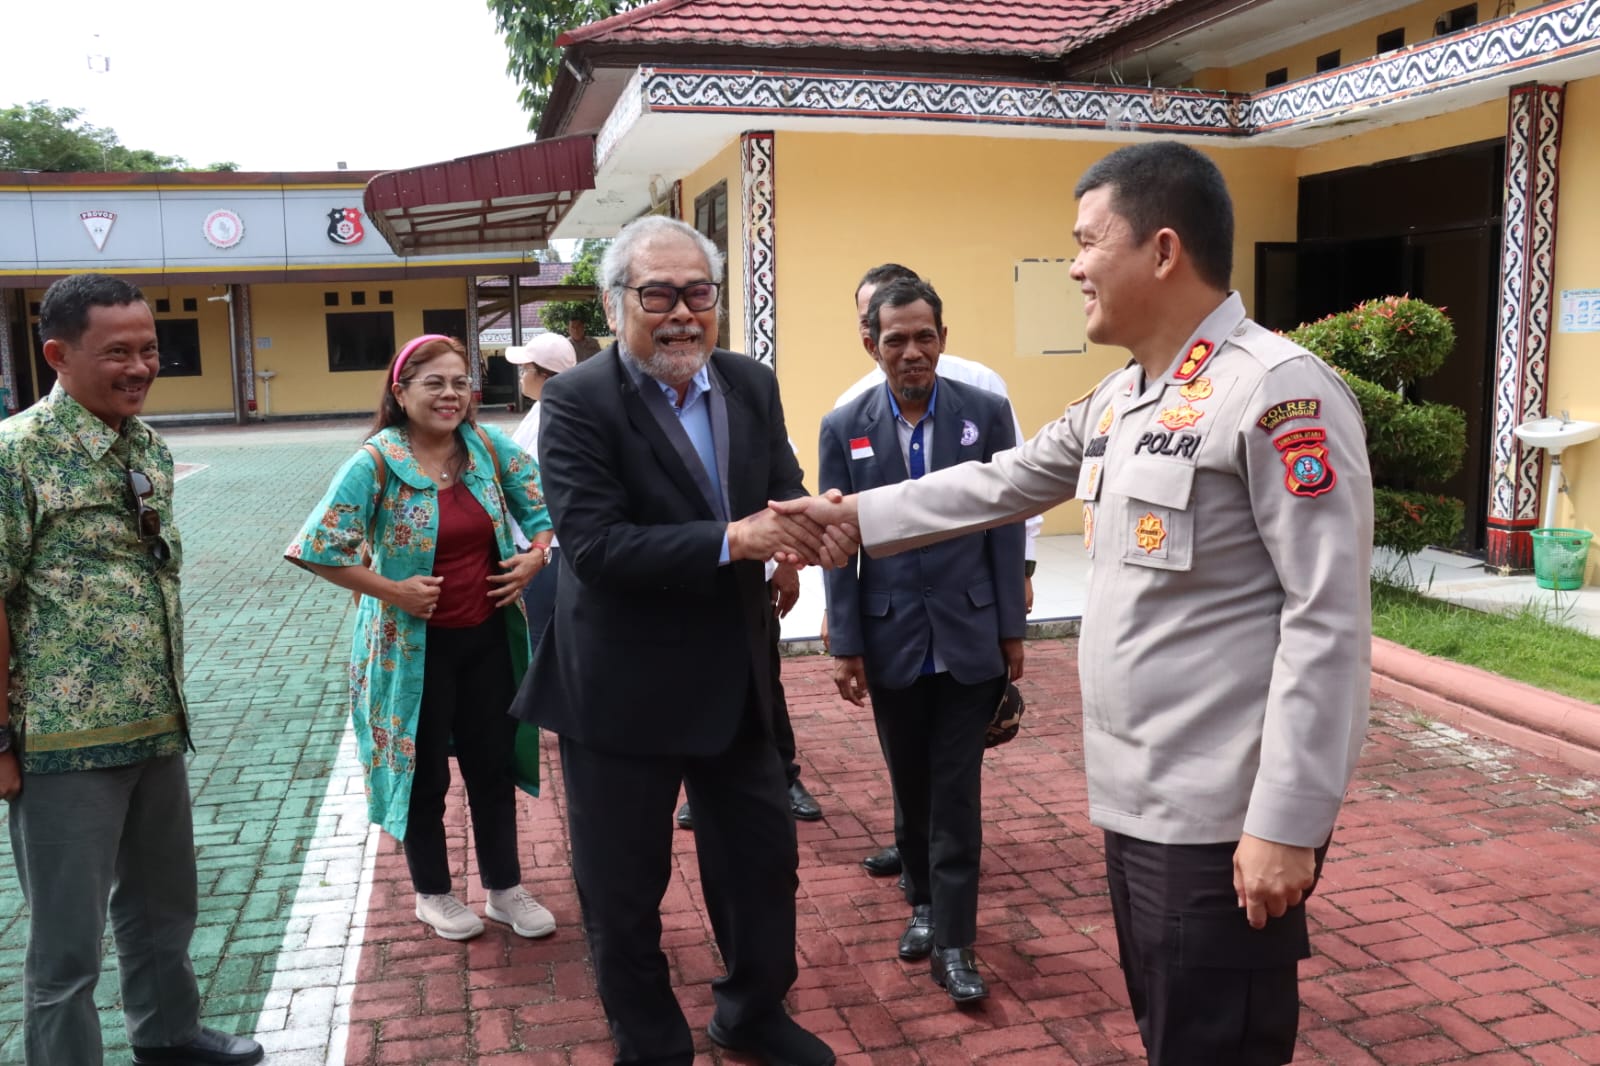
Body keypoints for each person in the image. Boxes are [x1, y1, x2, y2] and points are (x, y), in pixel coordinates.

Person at [775, 142, 1374, 1065]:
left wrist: (1288, 823)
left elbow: (1326, 620)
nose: (1074, 266)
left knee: (1218, 1041)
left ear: (1163, 250)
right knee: (1172, 1033)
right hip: (1137, 802)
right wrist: (851, 516)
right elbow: (1001, 481)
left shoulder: (1274, 391)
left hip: (1222, 814)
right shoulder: (1126, 395)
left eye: (1089, 241)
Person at [508, 215, 838, 1066]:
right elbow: (595, 547)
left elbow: (780, 484)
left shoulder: (749, 383)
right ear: (615, 304)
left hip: (735, 676)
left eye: (699, 293)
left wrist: (804, 527)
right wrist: (738, 539)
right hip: (620, 688)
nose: (683, 313)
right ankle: (651, 1042)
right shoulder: (577, 402)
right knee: (623, 888)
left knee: (762, 865)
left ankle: (752, 1013)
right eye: (658, 295)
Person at [0, 273, 264, 1065]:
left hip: (154, 721)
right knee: (66, 949)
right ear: (58, 355)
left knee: (162, 906)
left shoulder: (146, 445)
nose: (141, 367)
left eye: (150, 349)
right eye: (118, 352)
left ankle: (169, 1035)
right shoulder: (17, 455)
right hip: (62, 743)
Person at [285, 334, 557, 943]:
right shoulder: (376, 462)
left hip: (488, 638)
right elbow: (316, 549)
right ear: (401, 392)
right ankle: (433, 893)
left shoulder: (487, 448)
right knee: (423, 772)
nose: (450, 395)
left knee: (492, 766)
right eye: (434, 383)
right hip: (410, 650)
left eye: (460, 382)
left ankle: (504, 889)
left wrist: (535, 557)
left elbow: (542, 510)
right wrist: (392, 590)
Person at [821, 277, 1025, 1005]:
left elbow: (1006, 522)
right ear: (870, 343)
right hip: (891, 640)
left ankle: (956, 943)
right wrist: (846, 643)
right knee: (910, 787)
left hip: (969, 636)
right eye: (896, 338)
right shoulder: (843, 426)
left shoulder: (985, 414)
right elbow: (838, 545)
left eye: (925, 336)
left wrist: (1011, 628)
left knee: (956, 791)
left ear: (943, 338)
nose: (913, 351)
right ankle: (924, 906)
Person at [507, 332, 576, 645]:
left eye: (526, 369)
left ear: (545, 376)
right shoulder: (543, 409)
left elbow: (533, 485)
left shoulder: (553, 418)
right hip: (543, 543)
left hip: (545, 546)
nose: (521, 375)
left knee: (536, 633)